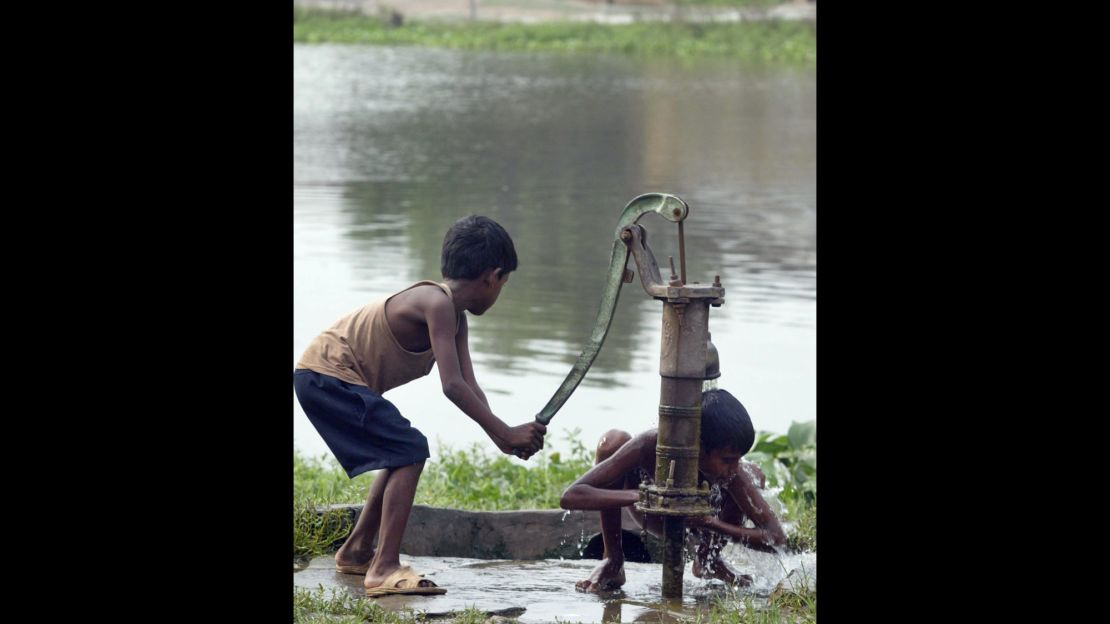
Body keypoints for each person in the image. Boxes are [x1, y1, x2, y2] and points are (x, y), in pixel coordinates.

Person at [294, 215, 547, 595]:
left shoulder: (455, 318)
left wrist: (503, 438)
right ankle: (383, 569)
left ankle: (357, 550)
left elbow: (471, 386)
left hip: (328, 380)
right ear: (492, 277)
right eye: (504, 284)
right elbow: (452, 386)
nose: (500, 292)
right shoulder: (436, 303)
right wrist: (504, 430)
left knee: (402, 450)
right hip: (325, 377)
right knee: (410, 449)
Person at [560, 389, 786, 592]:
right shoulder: (650, 445)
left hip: (703, 524)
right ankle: (612, 559)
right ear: (698, 446)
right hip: (653, 515)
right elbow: (571, 496)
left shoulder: (733, 474)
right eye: (727, 460)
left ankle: (709, 559)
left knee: (753, 472)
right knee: (612, 441)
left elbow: (777, 538)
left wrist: (710, 523)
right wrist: (645, 497)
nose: (733, 468)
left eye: (737, 459)